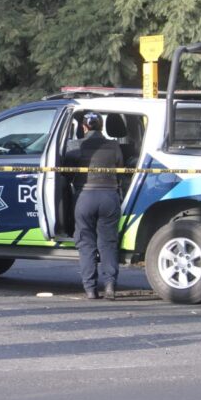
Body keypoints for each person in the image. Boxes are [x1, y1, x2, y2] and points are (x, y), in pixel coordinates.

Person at [62, 112, 124, 300]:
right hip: (109, 197)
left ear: (84, 127)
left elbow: (66, 174)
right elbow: (120, 170)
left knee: (86, 243)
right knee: (108, 243)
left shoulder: (76, 145)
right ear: (101, 126)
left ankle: (90, 289)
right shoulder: (114, 146)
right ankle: (110, 286)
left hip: (85, 198)